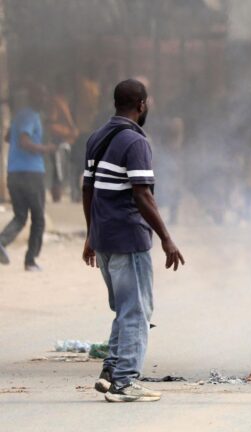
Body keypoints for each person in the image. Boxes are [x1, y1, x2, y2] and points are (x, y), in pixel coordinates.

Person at [81, 79, 185, 403]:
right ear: (141, 105)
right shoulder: (136, 142)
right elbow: (142, 195)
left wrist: (91, 234)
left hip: (104, 238)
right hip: (128, 238)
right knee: (137, 311)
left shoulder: (96, 137)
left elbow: (88, 189)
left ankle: (111, 371)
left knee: (125, 308)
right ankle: (125, 382)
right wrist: (166, 238)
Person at [0, 85, 57, 271]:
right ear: (35, 98)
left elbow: (8, 137)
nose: (45, 100)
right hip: (31, 174)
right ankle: (30, 261)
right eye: (42, 96)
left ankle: (2, 241)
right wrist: (46, 149)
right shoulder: (31, 116)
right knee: (38, 218)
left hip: (13, 173)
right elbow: (24, 141)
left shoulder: (19, 116)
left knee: (20, 216)